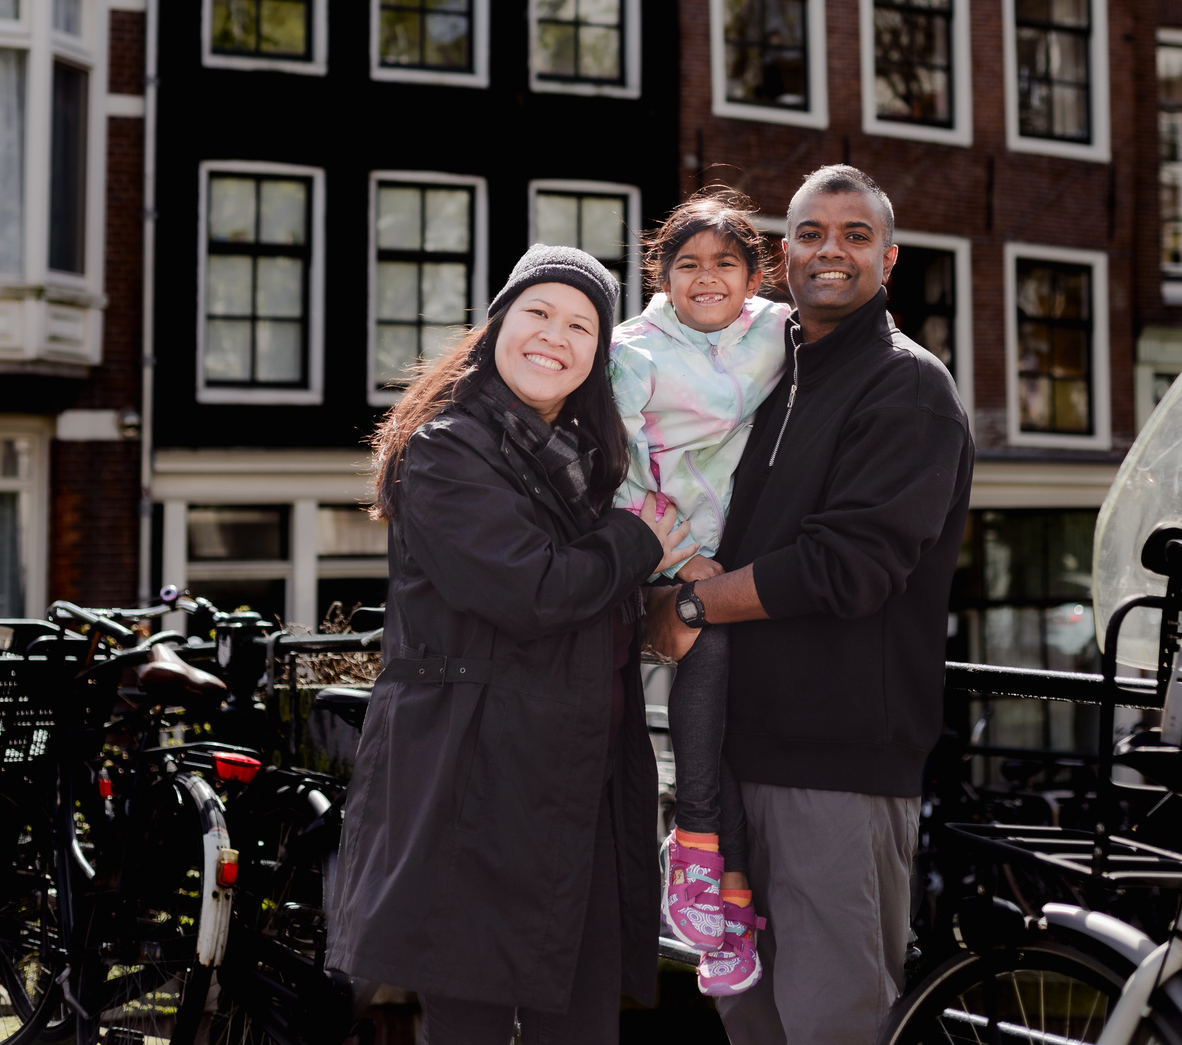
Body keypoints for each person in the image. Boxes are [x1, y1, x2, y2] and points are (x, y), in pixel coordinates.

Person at [326, 243, 693, 1045]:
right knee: (473, 1024)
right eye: (537, 312)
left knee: (584, 1023)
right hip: (473, 786)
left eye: (581, 326)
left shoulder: (595, 464)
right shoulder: (445, 449)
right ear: (497, 323)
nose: (554, 337)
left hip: (577, 787)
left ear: (598, 356)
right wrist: (638, 544)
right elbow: (532, 590)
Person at [645, 164, 974, 1045]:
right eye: (811, 234)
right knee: (745, 1011)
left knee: (834, 1019)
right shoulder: (765, 373)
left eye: (856, 235)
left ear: (890, 258)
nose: (832, 250)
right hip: (732, 756)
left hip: (836, 762)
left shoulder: (908, 388)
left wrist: (692, 608)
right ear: (782, 255)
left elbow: (848, 567)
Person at [609, 189, 790, 997]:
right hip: (666, 542)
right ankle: (693, 837)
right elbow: (609, 471)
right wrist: (680, 563)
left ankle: (733, 905)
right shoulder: (632, 352)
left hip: (748, 546)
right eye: (688, 265)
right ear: (663, 274)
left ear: (755, 275)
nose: (707, 278)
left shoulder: (778, 333)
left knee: (752, 708)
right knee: (708, 647)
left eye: (726, 263)